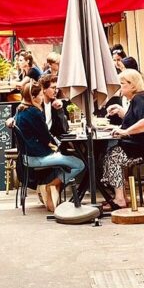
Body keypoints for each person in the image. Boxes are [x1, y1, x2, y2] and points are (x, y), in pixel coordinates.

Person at [14, 81, 85, 212]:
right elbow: (45, 136)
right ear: (33, 97)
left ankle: (51, 188)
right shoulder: (34, 112)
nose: (41, 98)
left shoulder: (20, 110)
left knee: (66, 160)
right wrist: (56, 145)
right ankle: (52, 184)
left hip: (26, 157)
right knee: (79, 164)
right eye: (40, 95)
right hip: (37, 157)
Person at [100, 68, 144, 211]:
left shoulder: (139, 99)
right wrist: (119, 117)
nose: (119, 87)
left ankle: (120, 199)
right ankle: (121, 195)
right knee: (112, 153)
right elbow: (134, 119)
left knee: (113, 156)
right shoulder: (138, 98)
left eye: (122, 84)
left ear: (132, 85)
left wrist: (125, 131)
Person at [40, 73, 69, 139]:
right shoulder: (38, 104)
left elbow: (64, 129)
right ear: (44, 89)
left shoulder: (55, 104)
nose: (56, 91)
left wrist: (60, 110)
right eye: (53, 88)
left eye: (57, 88)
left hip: (53, 142)